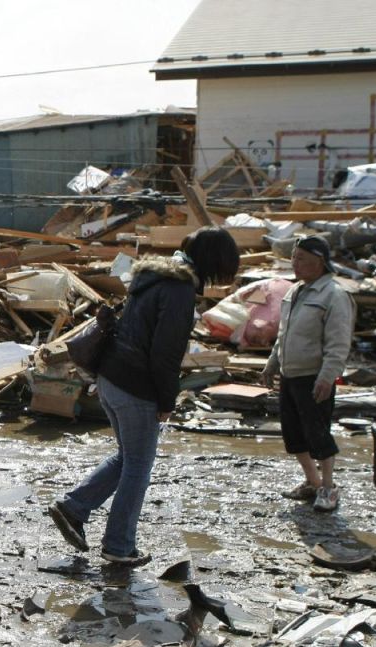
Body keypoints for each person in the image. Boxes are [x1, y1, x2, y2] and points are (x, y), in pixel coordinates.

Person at [49, 228, 240, 566]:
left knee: (128, 457)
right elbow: (165, 354)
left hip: (111, 377)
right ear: (214, 261)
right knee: (138, 464)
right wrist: (167, 402)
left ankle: (74, 507)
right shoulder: (179, 289)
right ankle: (119, 546)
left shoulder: (153, 277)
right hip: (135, 385)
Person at [262, 235, 355, 512]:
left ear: (320, 262)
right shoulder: (295, 291)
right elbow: (283, 334)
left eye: (302, 258)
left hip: (314, 376)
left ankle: (328, 487)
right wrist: (272, 363)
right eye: (293, 257)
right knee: (293, 434)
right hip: (290, 374)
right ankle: (311, 482)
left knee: (318, 433)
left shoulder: (334, 295)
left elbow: (338, 343)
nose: (295, 263)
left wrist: (328, 376)